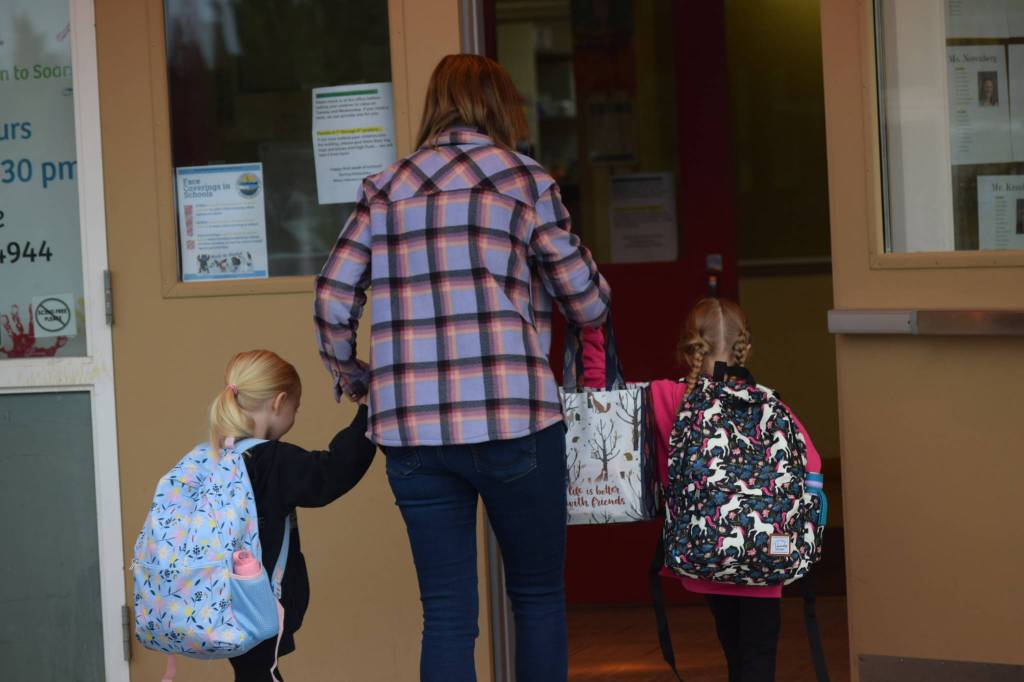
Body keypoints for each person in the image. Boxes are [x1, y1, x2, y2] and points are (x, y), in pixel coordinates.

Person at [314, 54, 610, 682]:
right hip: (515, 421)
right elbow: (586, 300)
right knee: (536, 598)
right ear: (503, 106)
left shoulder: (384, 188)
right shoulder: (526, 182)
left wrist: (355, 376)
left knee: (446, 614)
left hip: (413, 432)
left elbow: (332, 296)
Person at [583, 298, 823, 681]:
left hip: (706, 552)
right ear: (746, 346)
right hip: (768, 555)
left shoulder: (667, 398)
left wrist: (591, 329)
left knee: (733, 648)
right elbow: (812, 465)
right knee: (759, 655)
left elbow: (601, 400)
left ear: (686, 347)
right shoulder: (770, 404)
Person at [209, 350, 376, 681]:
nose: (294, 417)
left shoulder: (219, 457)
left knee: (253, 673)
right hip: (258, 608)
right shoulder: (270, 461)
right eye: (295, 409)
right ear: (278, 403)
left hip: (224, 602)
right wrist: (368, 412)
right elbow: (330, 473)